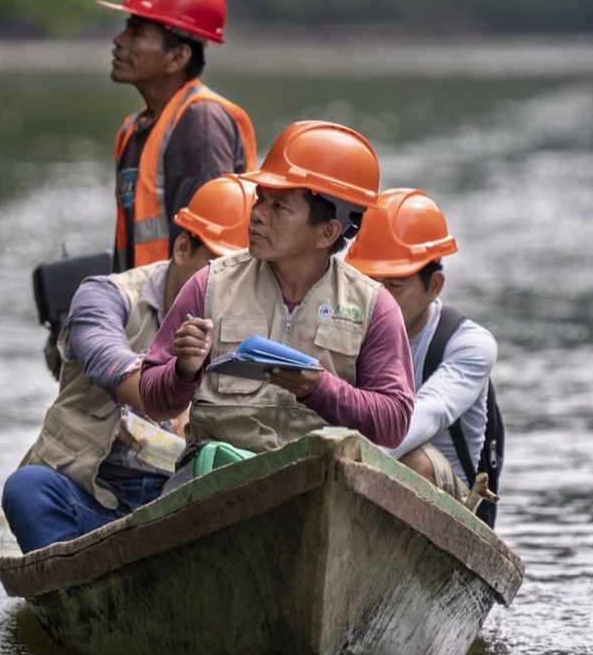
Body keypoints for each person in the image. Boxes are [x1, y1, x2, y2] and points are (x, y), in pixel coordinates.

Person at [2, 175, 254, 551]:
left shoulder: (253, 322)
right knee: (26, 490)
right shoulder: (104, 298)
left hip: (181, 506)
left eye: (244, 275)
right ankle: (76, 587)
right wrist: (182, 380)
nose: (230, 288)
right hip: (95, 499)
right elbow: (122, 373)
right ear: (183, 248)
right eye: (220, 270)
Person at [139, 121, 415, 456]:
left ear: (327, 233)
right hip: (214, 475)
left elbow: (395, 423)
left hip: (323, 480)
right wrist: (182, 370)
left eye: (279, 206)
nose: (256, 214)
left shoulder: (374, 307)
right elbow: (152, 401)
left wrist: (319, 388)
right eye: (261, 198)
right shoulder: (209, 284)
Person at [344, 189, 500, 513]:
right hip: (359, 473)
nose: (378, 298)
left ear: (434, 286)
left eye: (394, 285)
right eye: (369, 282)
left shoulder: (470, 345)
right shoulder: (345, 326)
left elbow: (429, 412)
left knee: (411, 461)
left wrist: (344, 455)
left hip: (450, 502)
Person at [99, 0, 257, 273]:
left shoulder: (202, 121)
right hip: (145, 312)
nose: (119, 40)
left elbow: (209, 258)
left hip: (181, 316)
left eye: (137, 32)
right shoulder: (132, 130)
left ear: (177, 57)